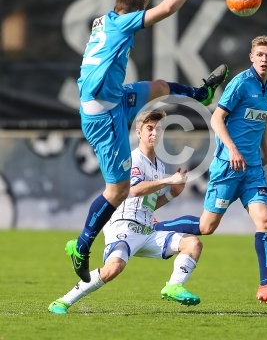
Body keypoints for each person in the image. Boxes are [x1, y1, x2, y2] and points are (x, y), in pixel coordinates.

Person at [67, 0, 229, 283]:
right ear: (133, 14)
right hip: (102, 115)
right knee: (119, 189)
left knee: (157, 86)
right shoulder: (119, 26)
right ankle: (82, 245)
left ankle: (201, 93)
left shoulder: (108, 20)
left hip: (113, 97)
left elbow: (134, 14)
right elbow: (167, 11)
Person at [154, 36, 267, 305]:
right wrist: (232, 149)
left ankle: (266, 285)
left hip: (252, 168)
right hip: (228, 166)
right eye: (260, 54)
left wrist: (264, 151)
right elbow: (217, 118)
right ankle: (153, 226)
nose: (264, 59)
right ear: (251, 57)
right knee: (206, 227)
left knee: (266, 221)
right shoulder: (241, 83)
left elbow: (261, 120)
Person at [49, 110, 203, 314]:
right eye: (149, 128)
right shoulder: (134, 159)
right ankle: (62, 301)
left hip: (146, 231)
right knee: (113, 269)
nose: (154, 133)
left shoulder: (159, 165)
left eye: (158, 129)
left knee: (193, 243)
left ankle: (173, 286)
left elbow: (147, 204)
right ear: (139, 132)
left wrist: (173, 193)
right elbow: (135, 189)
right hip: (124, 226)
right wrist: (168, 181)